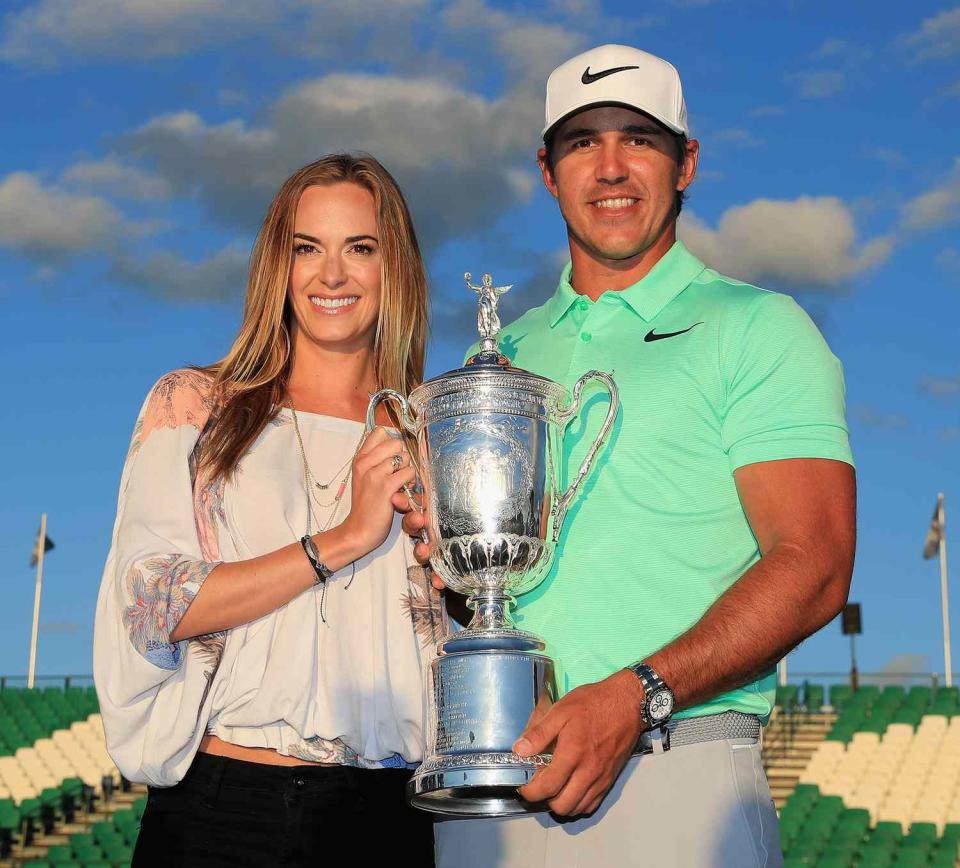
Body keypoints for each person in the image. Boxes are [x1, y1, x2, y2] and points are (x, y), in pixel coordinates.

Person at [401, 45, 856, 867]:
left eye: (638, 140)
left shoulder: (758, 327)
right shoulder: (501, 359)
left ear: (686, 163)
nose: (610, 168)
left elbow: (816, 563)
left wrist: (637, 695)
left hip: (678, 774)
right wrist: (448, 564)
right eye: (582, 143)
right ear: (547, 169)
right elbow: (495, 596)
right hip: (495, 791)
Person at [93, 154, 444, 867]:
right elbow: (152, 603)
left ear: (395, 266)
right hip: (224, 814)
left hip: (393, 818)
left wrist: (453, 576)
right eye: (307, 248)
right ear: (275, 268)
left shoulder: (437, 436)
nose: (333, 275)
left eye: (361, 248)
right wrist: (340, 540)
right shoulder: (197, 408)